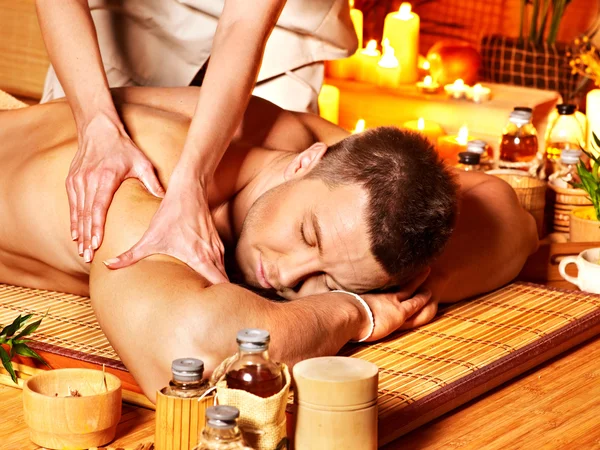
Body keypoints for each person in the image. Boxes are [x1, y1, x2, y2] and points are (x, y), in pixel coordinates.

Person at [0, 86, 538, 401]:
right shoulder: (143, 184)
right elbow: (186, 357)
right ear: (310, 163)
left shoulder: (323, 158)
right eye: (307, 234)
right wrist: (352, 310)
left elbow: (508, 216)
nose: (286, 275)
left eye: (324, 277)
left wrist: (405, 286)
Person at [34, 0, 358, 286]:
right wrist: (96, 123)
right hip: (125, 18)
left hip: (279, 34)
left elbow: (242, 24)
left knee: (275, 249)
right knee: (109, 224)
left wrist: (192, 183)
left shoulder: (294, 141)